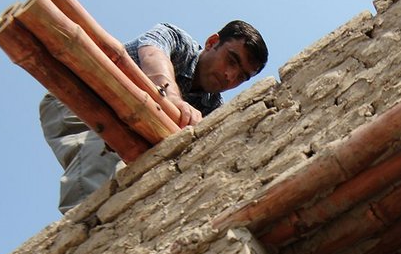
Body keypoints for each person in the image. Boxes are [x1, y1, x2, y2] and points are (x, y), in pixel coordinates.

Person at [40, 20, 268, 213]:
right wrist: (172, 97)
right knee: (101, 150)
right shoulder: (179, 42)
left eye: (242, 76)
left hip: (125, 135)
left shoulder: (212, 110)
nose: (230, 76)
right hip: (78, 97)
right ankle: (83, 232)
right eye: (231, 61)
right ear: (211, 43)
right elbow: (152, 52)